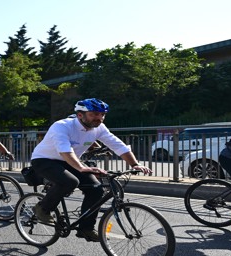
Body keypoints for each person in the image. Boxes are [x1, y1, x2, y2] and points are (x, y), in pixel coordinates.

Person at [30, 98, 152, 242]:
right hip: (44, 160)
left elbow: (117, 145)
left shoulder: (99, 128)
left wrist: (134, 164)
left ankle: (85, 229)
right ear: (80, 115)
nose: (99, 118)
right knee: (70, 181)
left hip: (69, 161)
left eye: (102, 115)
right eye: (94, 114)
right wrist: (82, 168)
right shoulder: (62, 126)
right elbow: (65, 151)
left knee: (96, 189)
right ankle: (42, 209)